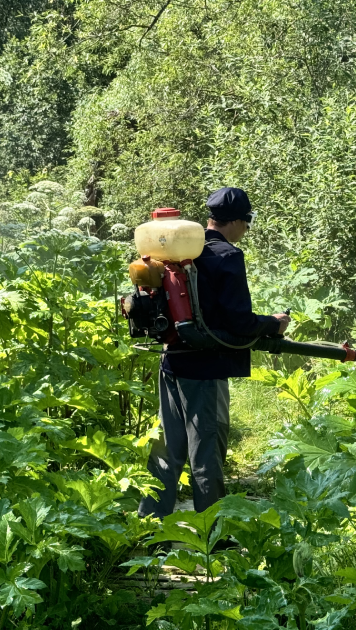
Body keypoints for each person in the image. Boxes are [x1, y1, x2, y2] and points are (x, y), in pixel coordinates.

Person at [138, 187, 290, 519]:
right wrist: (273, 324)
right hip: (204, 368)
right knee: (206, 453)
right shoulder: (227, 256)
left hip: (172, 359)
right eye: (247, 222)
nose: (246, 229)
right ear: (235, 221)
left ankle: (149, 528)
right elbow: (239, 322)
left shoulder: (179, 250)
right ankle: (215, 536)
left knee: (168, 452)